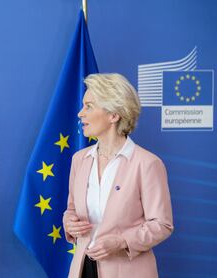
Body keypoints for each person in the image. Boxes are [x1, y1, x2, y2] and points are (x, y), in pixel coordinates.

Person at [63, 73, 173, 278]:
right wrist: (69, 222)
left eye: (88, 106)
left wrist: (122, 242)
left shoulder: (147, 164)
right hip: (83, 268)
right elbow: (71, 210)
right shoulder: (79, 159)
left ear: (113, 115)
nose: (80, 113)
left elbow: (162, 224)